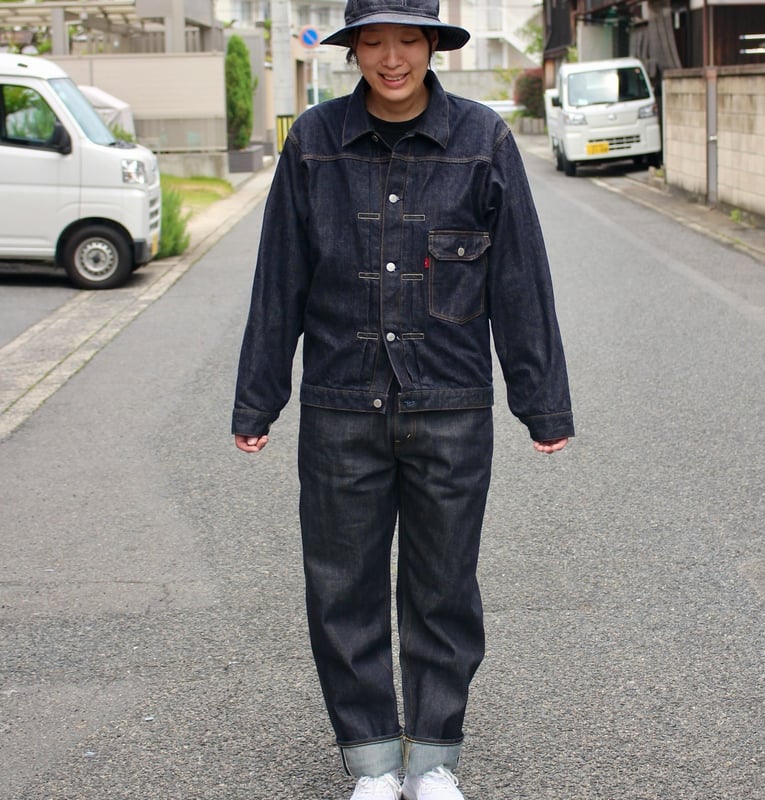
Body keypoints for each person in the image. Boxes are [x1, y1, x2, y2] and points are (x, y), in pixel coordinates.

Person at [232, 0, 574, 796]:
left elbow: (520, 280)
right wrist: (259, 399)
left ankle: (435, 761)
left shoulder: (482, 139)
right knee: (341, 586)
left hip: (450, 405)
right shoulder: (313, 142)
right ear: (353, 49)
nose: (392, 58)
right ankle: (374, 762)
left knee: (444, 587)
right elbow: (278, 278)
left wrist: (542, 405)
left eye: (408, 41)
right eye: (375, 42)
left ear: (431, 48)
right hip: (341, 406)